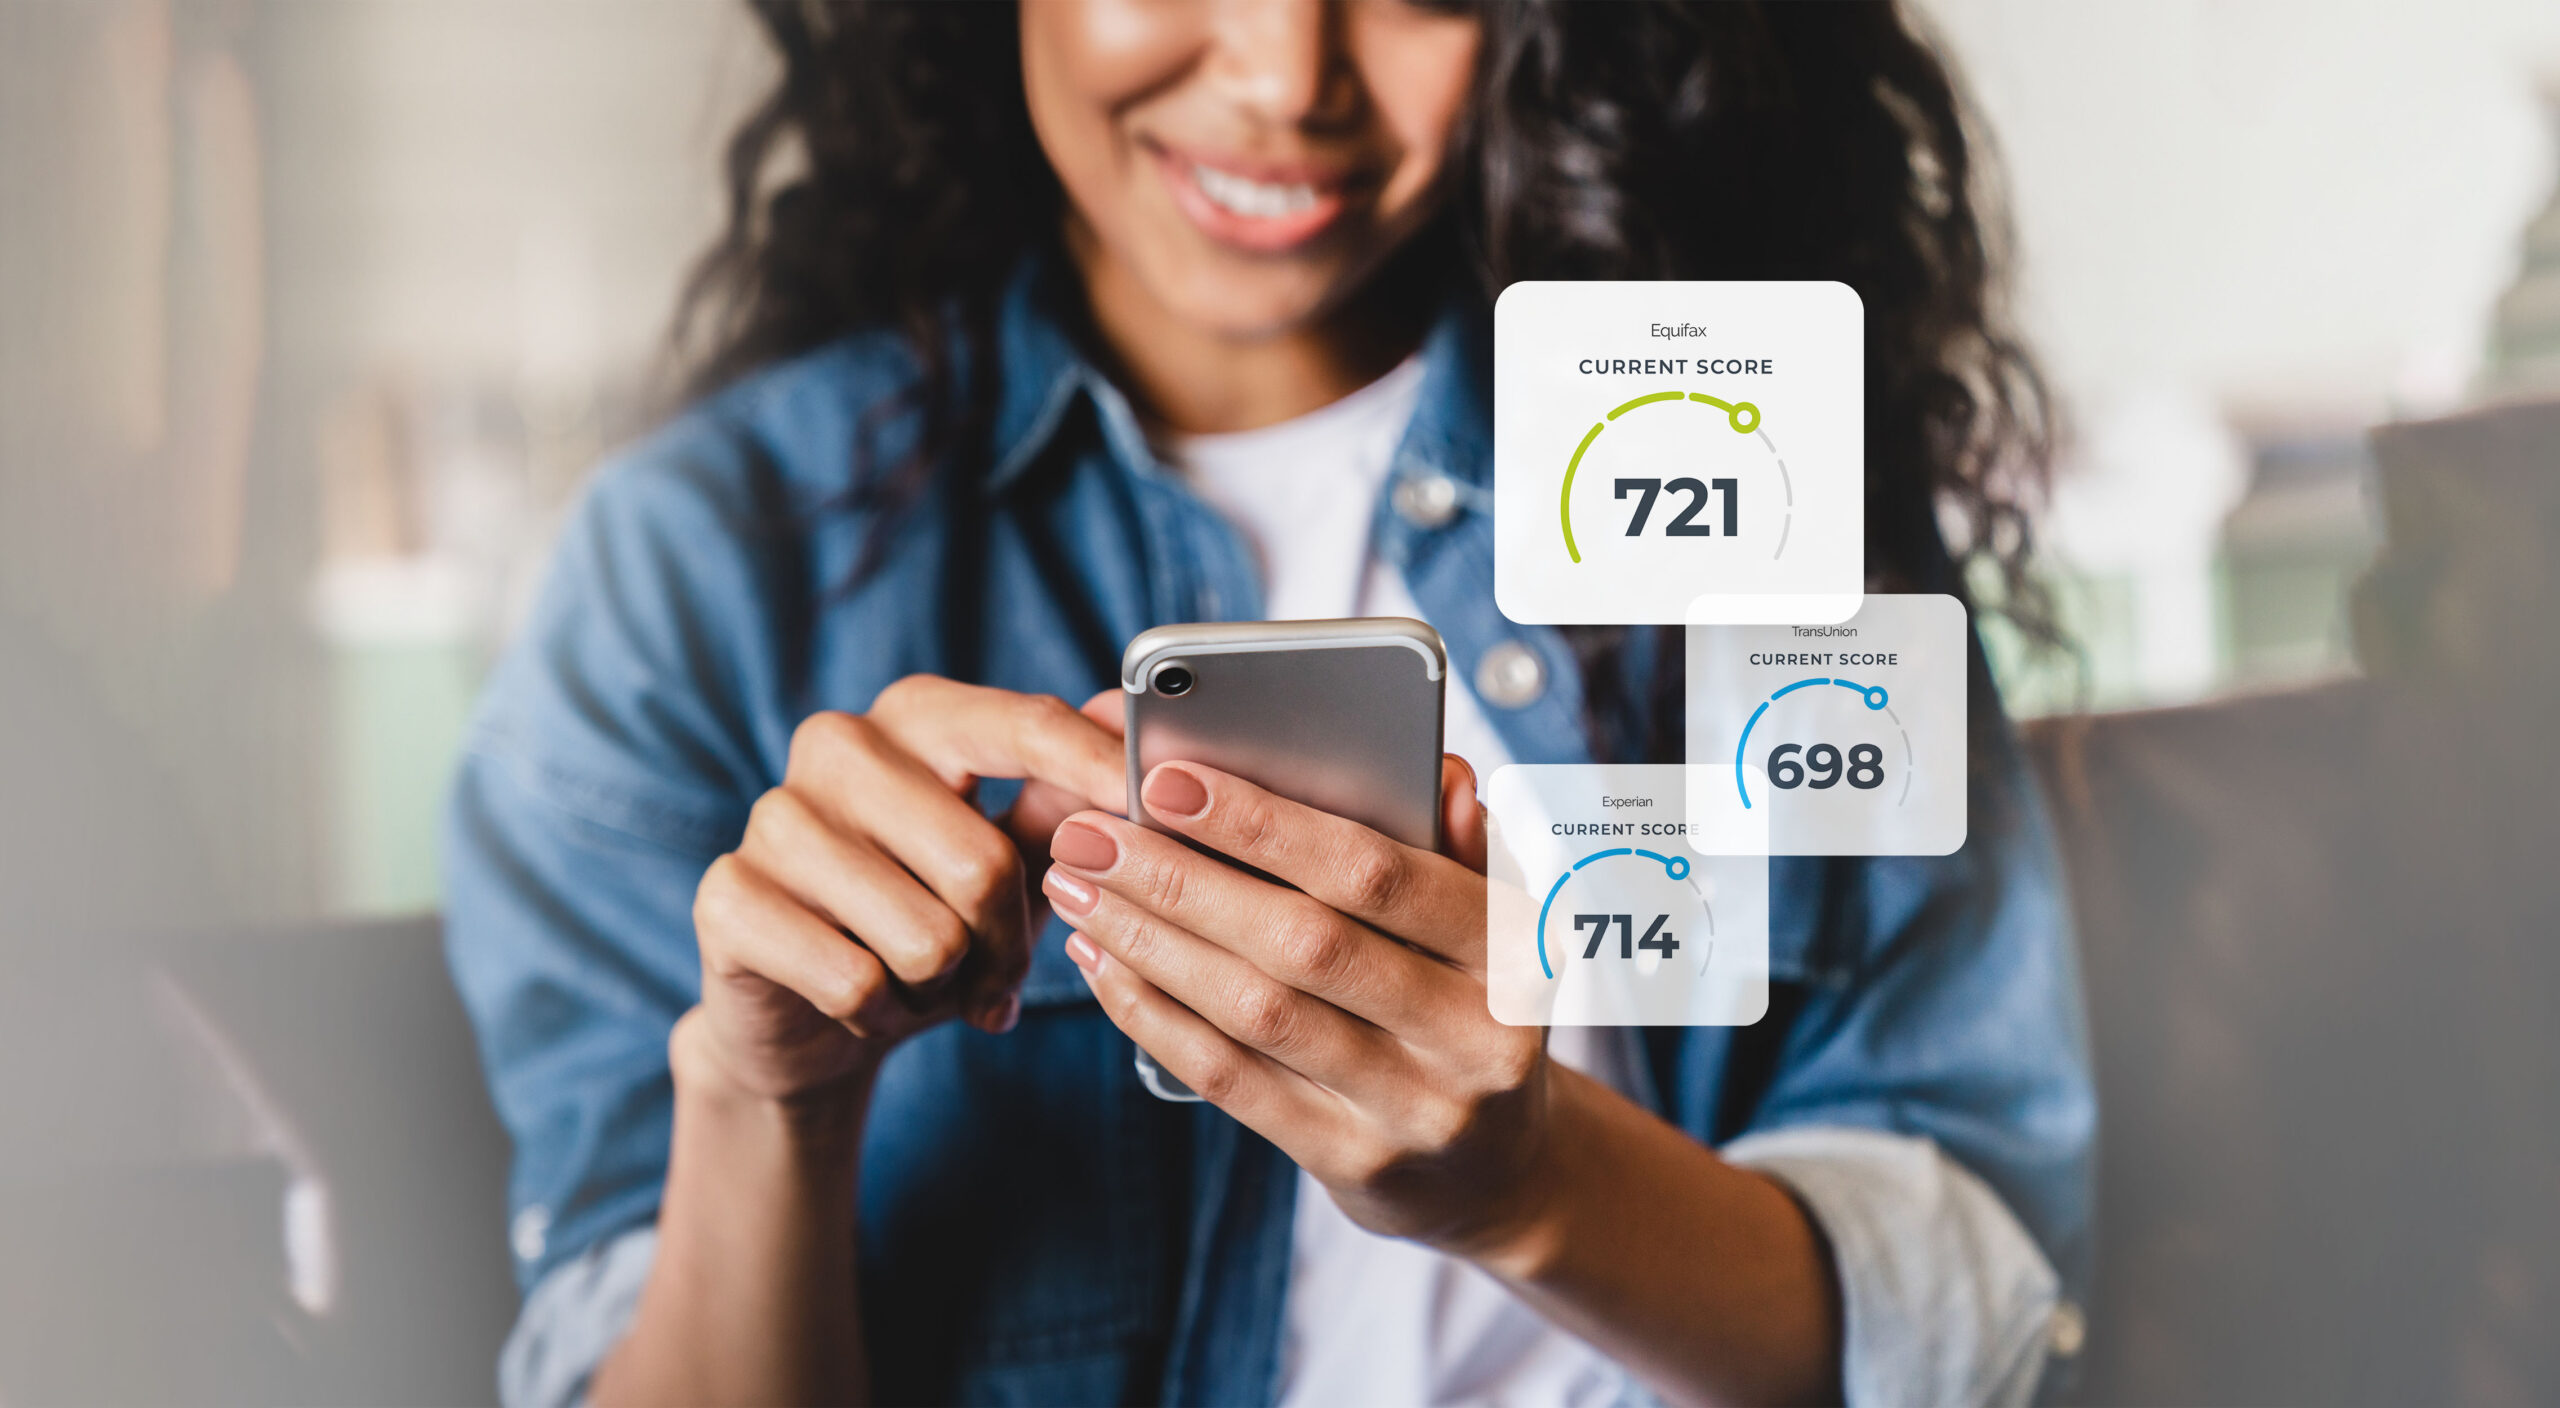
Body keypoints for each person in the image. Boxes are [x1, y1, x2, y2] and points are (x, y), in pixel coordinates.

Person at [443, 2, 2093, 1404]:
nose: (1288, 73)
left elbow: (1972, 1307)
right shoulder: (704, 570)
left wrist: (1526, 1188)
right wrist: (765, 1104)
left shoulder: (1734, 456)